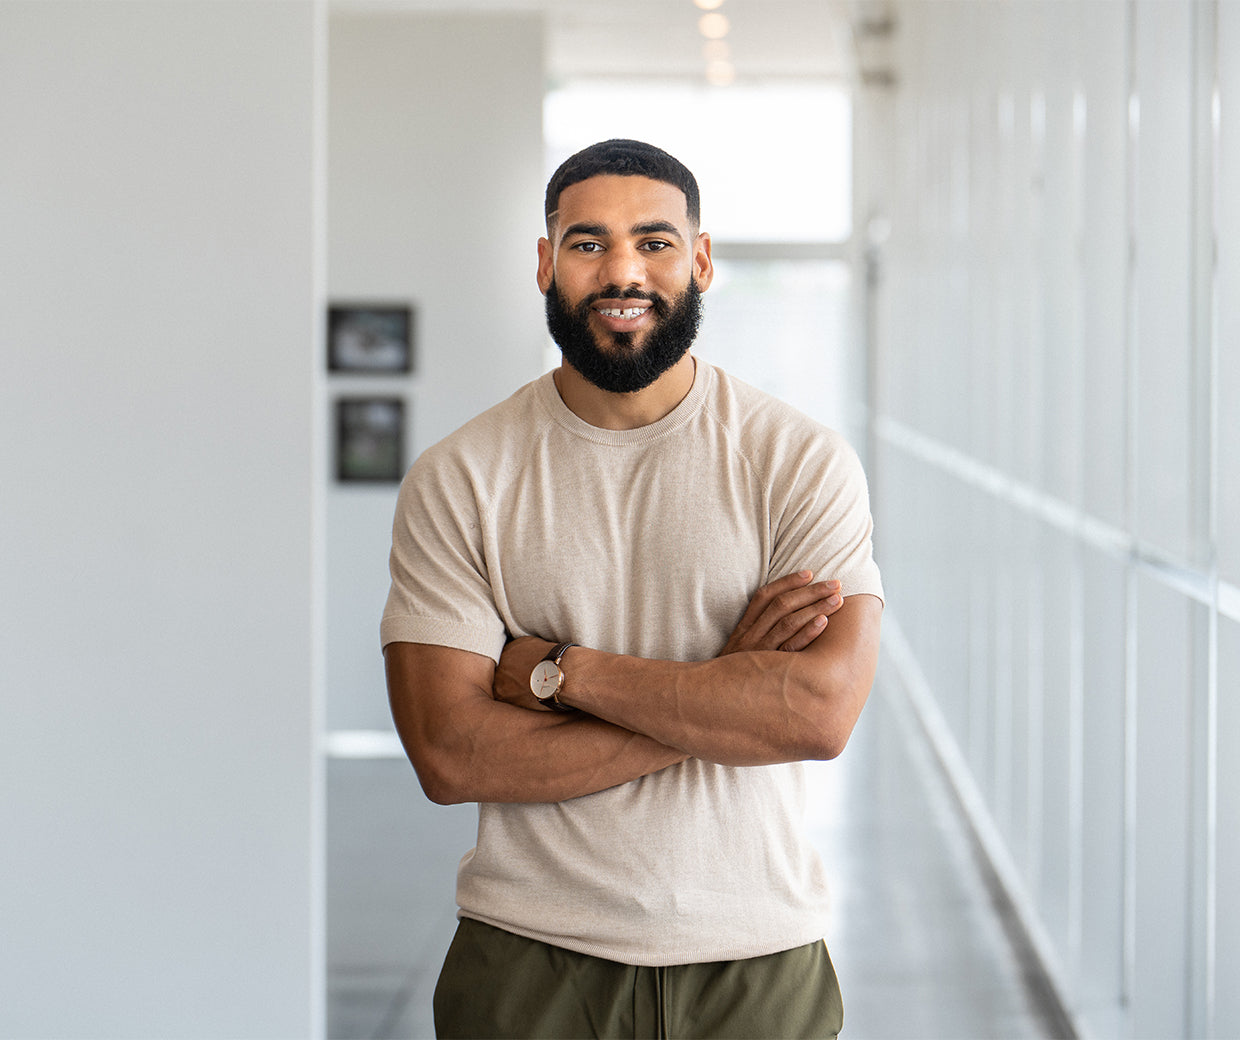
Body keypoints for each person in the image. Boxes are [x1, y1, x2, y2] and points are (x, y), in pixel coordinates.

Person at [381, 138, 884, 1039]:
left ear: (699, 260)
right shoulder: (461, 476)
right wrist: (725, 689)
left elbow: (815, 717)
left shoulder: (799, 462)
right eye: (587, 243)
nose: (623, 271)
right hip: (528, 960)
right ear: (545, 262)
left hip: (757, 962)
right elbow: (450, 756)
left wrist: (559, 675)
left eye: (654, 242)